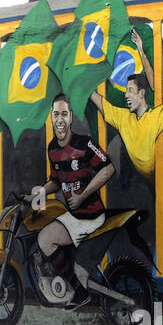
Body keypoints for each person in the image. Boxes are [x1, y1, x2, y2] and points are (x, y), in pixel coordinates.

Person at [30, 94, 117, 294]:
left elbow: (108, 169)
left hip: (91, 215)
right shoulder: (52, 148)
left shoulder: (84, 144)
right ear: (51, 117)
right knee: (46, 236)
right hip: (74, 217)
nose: (59, 120)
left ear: (70, 118)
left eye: (64, 114)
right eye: (55, 115)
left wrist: (82, 195)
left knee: (45, 239)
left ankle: (78, 293)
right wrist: (38, 193)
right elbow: (56, 181)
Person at [88, 30, 163, 187]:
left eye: (130, 91)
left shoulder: (155, 116)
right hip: (141, 181)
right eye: (126, 90)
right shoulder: (122, 117)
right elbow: (99, 101)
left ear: (142, 93)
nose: (126, 95)